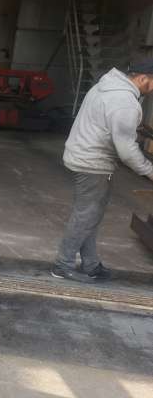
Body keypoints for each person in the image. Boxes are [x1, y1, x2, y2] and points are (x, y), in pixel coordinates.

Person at [52, 59, 153, 283]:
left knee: (91, 216)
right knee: (84, 217)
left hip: (84, 156)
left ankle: (90, 264)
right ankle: (62, 265)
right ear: (142, 78)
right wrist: (149, 171)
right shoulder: (125, 101)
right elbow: (127, 151)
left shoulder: (106, 85)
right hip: (92, 163)